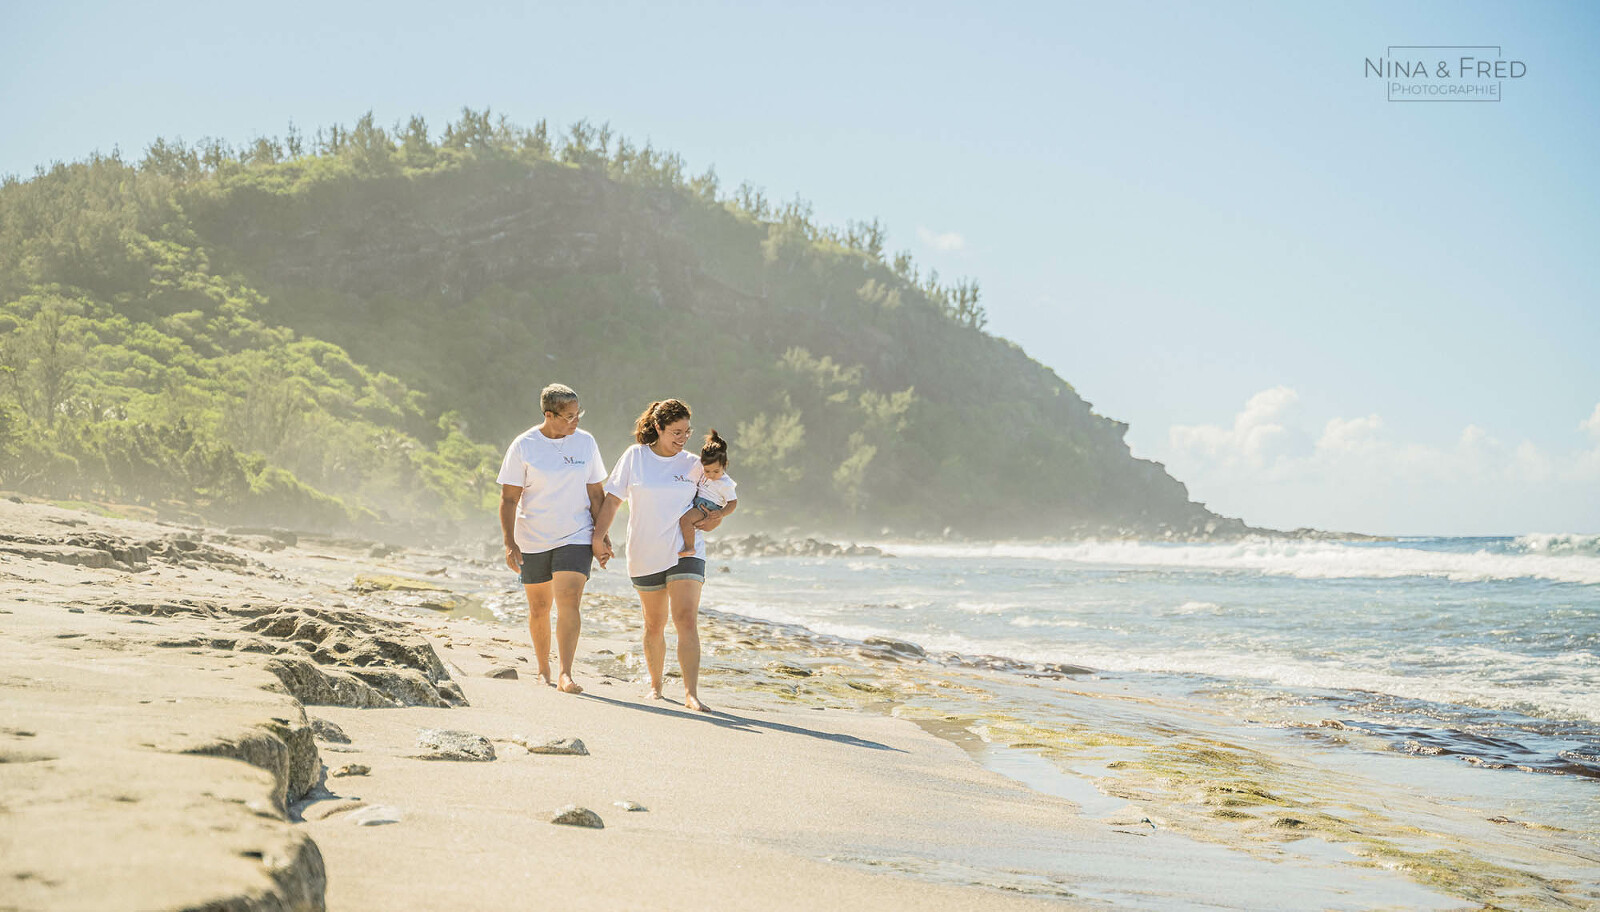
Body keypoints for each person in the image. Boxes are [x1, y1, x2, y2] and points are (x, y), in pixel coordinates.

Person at [593, 399, 725, 712]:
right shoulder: (635, 457)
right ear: (658, 428)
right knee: (654, 624)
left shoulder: (695, 464)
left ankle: (691, 693)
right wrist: (598, 537)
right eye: (676, 431)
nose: (683, 438)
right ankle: (656, 686)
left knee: (686, 619)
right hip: (644, 551)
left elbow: (715, 507)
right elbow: (612, 502)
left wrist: (713, 520)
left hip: (685, 551)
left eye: (687, 431)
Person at [497, 383, 610, 694]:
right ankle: (543, 668)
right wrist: (510, 542)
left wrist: (601, 535)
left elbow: (596, 492)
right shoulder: (524, 445)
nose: (575, 422)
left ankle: (565, 673)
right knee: (539, 607)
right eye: (569, 416)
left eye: (578, 415)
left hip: (576, 533)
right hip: (532, 537)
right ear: (549, 415)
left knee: (570, 600)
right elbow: (508, 499)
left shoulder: (586, 443)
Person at [677, 429, 738, 557]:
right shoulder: (701, 467)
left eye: (716, 471)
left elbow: (733, 502)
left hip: (709, 507)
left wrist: (721, 514)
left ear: (725, 465)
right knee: (689, 521)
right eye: (707, 471)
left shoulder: (725, 483)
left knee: (685, 519)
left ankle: (690, 548)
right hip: (699, 503)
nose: (711, 475)